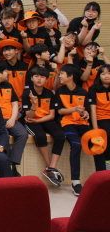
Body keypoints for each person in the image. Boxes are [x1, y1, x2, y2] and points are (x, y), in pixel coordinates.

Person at [54, 64, 106, 196]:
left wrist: (85, 113)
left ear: (71, 76)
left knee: (98, 143)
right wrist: (73, 109)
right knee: (76, 145)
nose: (60, 76)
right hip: (67, 123)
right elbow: (60, 111)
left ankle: (102, 178)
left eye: (62, 73)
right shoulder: (60, 91)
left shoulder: (83, 92)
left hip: (82, 123)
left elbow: (86, 110)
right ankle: (75, 182)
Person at [22, 66, 66, 186]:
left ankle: (52, 167)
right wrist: (34, 104)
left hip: (44, 120)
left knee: (60, 135)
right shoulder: (27, 94)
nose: (39, 79)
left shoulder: (50, 93)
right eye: (36, 76)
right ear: (32, 78)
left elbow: (52, 116)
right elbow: (29, 116)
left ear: (47, 79)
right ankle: (49, 166)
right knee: (40, 135)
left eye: (42, 77)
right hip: (31, 121)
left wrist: (38, 121)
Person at [0, 59, 28, 177]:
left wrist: (12, 118)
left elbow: (14, 104)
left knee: (22, 134)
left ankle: (13, 163)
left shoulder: (8, 85)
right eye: (5, 70)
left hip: (10, 118)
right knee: (4, 138)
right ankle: (8, 168)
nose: (8, 72)